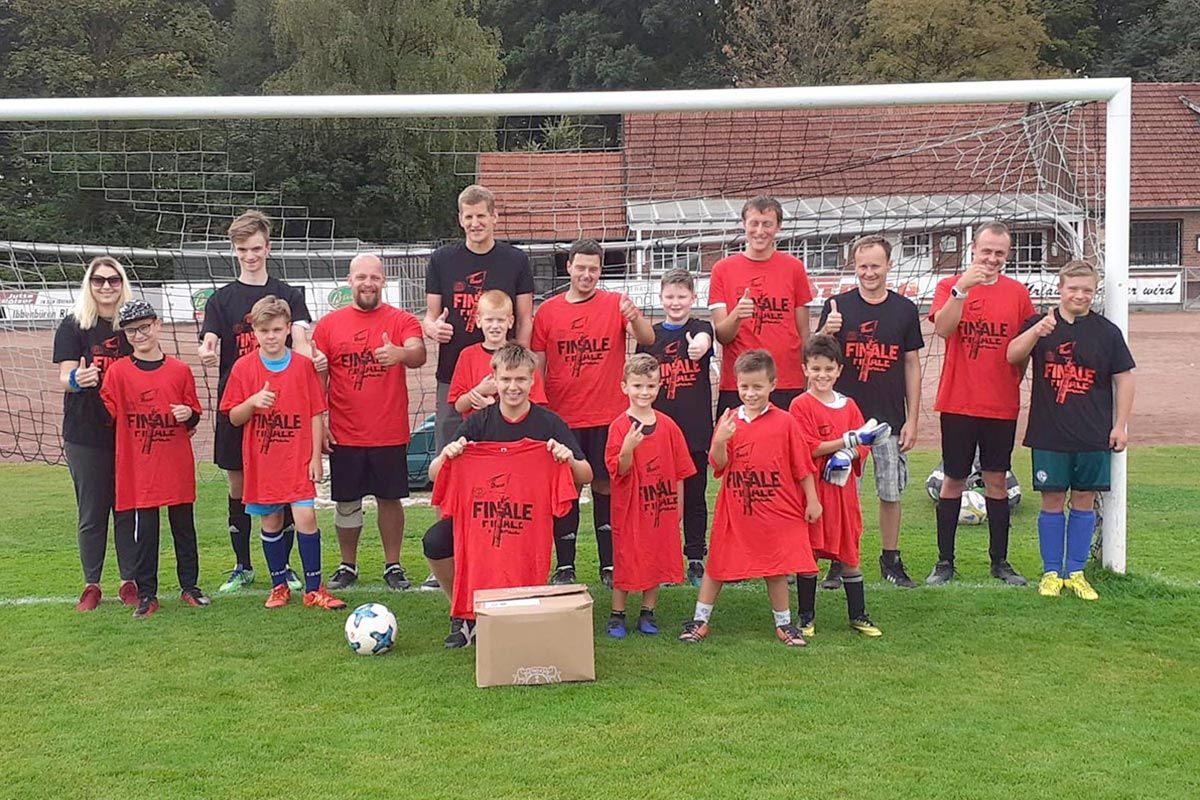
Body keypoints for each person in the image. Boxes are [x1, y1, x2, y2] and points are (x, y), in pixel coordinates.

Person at [422, 343, 592, 648]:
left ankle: (521, 610)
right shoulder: (479, 421)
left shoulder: (548, 423)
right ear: (495, 380)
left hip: (528, 519)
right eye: (506, 380)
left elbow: (587, 475)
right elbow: (436, 475)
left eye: (521, 380)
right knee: (435, 541)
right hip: (482, 519)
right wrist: (447, 455)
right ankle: (462, 614)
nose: (513, 387)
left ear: (532, 380)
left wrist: (567, 458)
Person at [422, 184, 535, 592]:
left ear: (494, 216)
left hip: (506, 376)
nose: (475, 223)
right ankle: (447, 552)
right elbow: (430, 318)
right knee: (451, 463)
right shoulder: (442, 259)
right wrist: (430, 327)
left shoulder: (515, 259)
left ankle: (507, 549)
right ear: (460, 219)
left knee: (507, 465)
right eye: (468, 217)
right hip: (457, 376)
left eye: (481, 216)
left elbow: (524, 320)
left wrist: (517, 369)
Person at [198, 210, 316, 594]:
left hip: (284, 417)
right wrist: (208, 347)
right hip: (240, 409)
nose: (250, 255)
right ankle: (242, 565)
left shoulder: (289, 295)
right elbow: (210, 338)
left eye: (257, 248)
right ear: (235, 251)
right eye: (243, 249)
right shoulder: (220, 300)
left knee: (285, 492)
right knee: (238, 487)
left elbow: (301, 336)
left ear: (268, 247)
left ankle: (285, 571)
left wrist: (309, 353)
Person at [1006, 261, 1135, 601]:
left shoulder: (1106, 332)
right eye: (1073, 288)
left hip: (1093, 433)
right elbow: (1011, 355)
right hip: (1050, 432)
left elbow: (1125, 378)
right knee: (1051, 502)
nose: (1079, 295)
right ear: (1060, 288)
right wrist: (1037, 331)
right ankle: (1051, 572)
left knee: (1083, 501)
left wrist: (1120, 425)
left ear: (1094, 293)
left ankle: (1075, 572)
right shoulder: (1040, 324)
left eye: (1087, 290)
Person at [531, 238, 655, 587]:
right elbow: (539, 366)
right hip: (563, 417)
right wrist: (541, 414)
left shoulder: (616, 304)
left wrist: (636, 318)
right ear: (568, 267)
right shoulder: (549, 312)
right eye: (580, 267)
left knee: (605, 486)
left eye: (594, 269)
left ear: (601, 271)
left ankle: (609, 563)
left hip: (607, 416)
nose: (587, 274)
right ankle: (566, 565)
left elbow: (646, 338)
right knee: (566, 488)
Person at [679, 350, 822, 647]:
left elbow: (803, 466)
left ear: (773, 384)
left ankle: (784, 625)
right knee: (717, 564)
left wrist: (812, 500)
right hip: (736, 510)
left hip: (776, 510)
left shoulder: (786, 422)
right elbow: (718, 464)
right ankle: (700, 620)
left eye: (757, 387)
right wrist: (720, 441)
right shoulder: (729, 419)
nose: (750, 393)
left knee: (776, 565)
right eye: (744, 387)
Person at [926, 221, 1034, 586]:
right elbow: (943, 329)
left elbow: (1024, 346)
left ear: (1008, 255)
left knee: (997, 481)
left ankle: (1000, 562)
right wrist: (962, 290)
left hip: (1000, 404)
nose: (992, 259)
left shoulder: (1018, 293)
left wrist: (1012, 380)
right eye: (986, 251)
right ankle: (944, 563)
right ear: (973, 249)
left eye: (999, 253)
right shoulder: (949, 285)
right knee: (953, 480)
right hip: (958, 401)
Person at [311, 254, 426, 591]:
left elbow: (418, 353)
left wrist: (400, 355)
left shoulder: (402, 320)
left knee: (390, 499)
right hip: (345, 431)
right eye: (361, 277)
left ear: (384, 281)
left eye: (374, 277)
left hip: (389, 430)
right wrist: (322, 424)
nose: (367, 283)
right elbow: (320, 378)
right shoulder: (330, 325)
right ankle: (348, 564)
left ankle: (393, 565)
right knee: (347, 502)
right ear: (349, 281)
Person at [816, 235, 924, 589]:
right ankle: (838, 557)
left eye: (875, 265)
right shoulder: (836, 305)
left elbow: (911, 364)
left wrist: (912, 418)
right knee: (841, 492)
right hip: (845, 420)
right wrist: (825, 330)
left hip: (889, 419)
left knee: (890, 491)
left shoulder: (905, 310)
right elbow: (816, 358)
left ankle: (890, 558)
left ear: (889, 265)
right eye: (862, 266)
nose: (869, 272)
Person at [100, 300, 207, 618]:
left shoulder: (179, 370)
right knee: (145, 532)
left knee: (184, 528)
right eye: (131, 330)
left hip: (174, 462)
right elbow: (106, 414)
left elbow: (194, 414)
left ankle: (190, 586)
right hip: (140, 466)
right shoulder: (118, 372)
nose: (139, 334)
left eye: (144, 327)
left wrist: (188, 414)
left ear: (157, 325)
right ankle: (147, 593)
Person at [53, 256, 138, 611]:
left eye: (113, 280)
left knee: (127, 509)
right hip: (85, 431)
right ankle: (92, 584)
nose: (106, 286)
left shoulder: (134, 324)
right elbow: (65, 377)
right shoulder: (75, 325)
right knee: (92, 511)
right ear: (89, 284)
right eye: (99, 280)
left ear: (122, 284)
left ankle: (129, 581)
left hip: (127, 431)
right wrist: (79, 379)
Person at [789, 335, 887, 638]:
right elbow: (805, 448)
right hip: (814, 493)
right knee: (809, 554)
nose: (822, 375)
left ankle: (858, 615)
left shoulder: (850, 405)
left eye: (828, 369)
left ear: (839, 370)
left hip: (844, 495)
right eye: (816, 369)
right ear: (805, 369)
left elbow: (864, 443)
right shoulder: (800, 405)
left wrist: (851, 452)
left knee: (849, 554)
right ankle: (806, 617)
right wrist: (846, 442)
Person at [603, 354, 696, 638]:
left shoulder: (668, 426)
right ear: (624, 387)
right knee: (627, 556)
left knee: (656, 556)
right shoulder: (619, 426)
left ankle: (648, 611)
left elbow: (681, 470)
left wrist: (677, 506)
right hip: (630, 508)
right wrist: (628, 447)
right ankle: (617, 614)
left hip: (661, 505)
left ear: (659, 386)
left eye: (650, 386)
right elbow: (618, 469)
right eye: (638, 386)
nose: (644, 392)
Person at [636, 268, 715, 587]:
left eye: (682, 296)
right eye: (670, 296)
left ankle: (695, 556)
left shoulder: (700, 327)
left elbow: (704, 340)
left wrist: (698, 346)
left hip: (694, 430)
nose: (676, 302)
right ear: (661, 298)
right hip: (658, 432)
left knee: (695, 496)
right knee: (661, 499)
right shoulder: (651, 337)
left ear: (693, 298)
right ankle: (662, 557)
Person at [708, 195, 814, 416]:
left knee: (787, 448)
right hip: (740, 382)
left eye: (767, 224)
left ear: (778, 227)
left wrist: (807, 376)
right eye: (754, 223)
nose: (760, 231)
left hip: (786, 380)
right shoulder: (722, 269)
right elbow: (722, 335)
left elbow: (803, 332)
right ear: (744, 225)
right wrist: (737, 315)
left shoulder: (794, 268)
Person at [448, 290, 547, 417]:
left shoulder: (523, 358)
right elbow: (459, 405)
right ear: (478, 320)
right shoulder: (467, 356)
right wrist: (480, 390)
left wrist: (493, 408)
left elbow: (536, 406)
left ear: (510, 321)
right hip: (478, 432)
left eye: (500, 320)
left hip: (514, 433)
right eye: (489, 320)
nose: (495, 326)